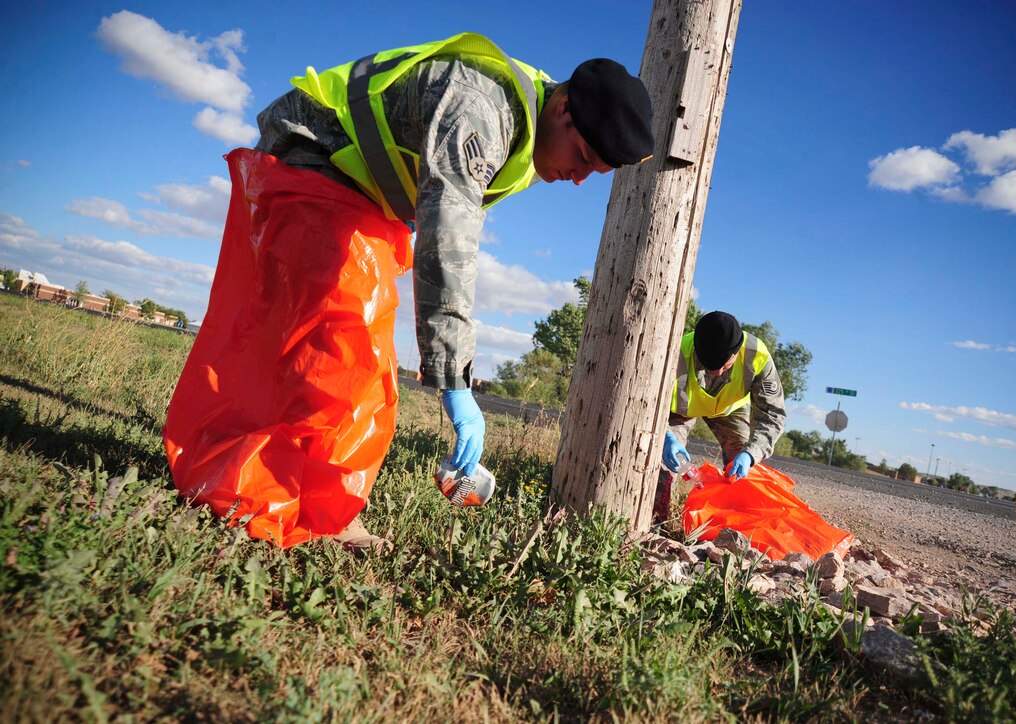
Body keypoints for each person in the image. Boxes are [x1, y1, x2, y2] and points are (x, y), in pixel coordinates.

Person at [163, 32, 653, 548]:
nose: (579, 179)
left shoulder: (534, 138)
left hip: (355, 191)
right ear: (563, 108)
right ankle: (295, 509)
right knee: (345, 349)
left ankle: (279, 493)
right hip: (317, 158)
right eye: (582, 157)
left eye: (594, 173)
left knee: (330, 348)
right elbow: (449, 236)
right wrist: (455, 381)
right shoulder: (480, 109)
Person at [655, 311, 787, 525]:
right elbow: (647, 403)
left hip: (730, 410)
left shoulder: (757, 356)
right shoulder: (675, 352)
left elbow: (772, 415)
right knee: (664, 467)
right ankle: (658, 523)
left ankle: (735, 525)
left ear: (738, 350)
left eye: (725, 367)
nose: (716, 373)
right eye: (708, 367)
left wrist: (751, 454)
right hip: (680, 411)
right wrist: (664, 436)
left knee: (743, 470)